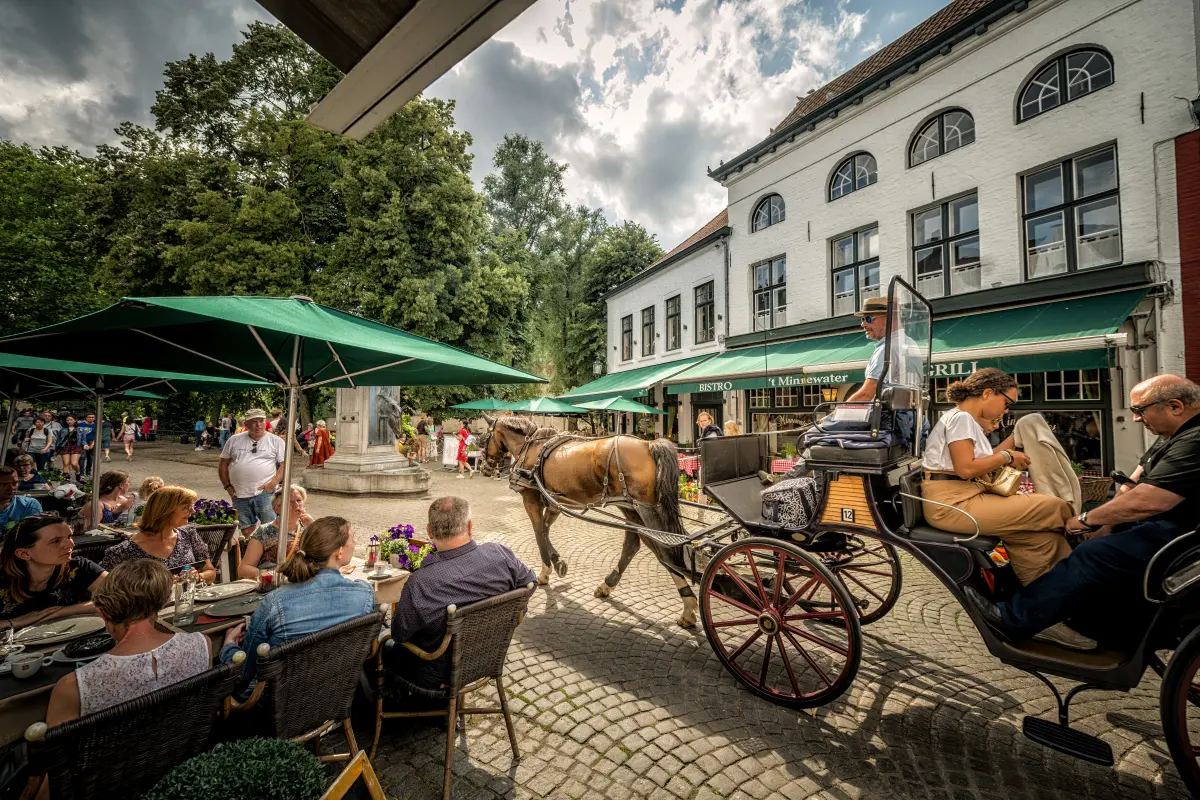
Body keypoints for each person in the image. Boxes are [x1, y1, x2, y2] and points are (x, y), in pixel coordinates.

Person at [967, 375, 1200, 651]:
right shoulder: (1171, 435)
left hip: (1180, 538)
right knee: (1094, 545)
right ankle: (1088, 621)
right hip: (1160, 526)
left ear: (1174, 406)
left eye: (1139, 410)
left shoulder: (1194, 439)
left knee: (1093, 555)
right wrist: (1105, 524)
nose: (1136, 419)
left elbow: (1150, 499)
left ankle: (1013, 619)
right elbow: (1132, 484)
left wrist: (1085, 520)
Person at [386, 497, 535, 696]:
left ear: (429, 532)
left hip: (436, 673)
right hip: (488, 656)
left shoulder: (421, 582)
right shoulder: (500, 555)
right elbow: (529, 584)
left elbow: (399, 634)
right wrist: (509, 619)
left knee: (383, 645)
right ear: (470, 526)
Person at [220, 516, 374, 700]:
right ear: (339, 552)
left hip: (278, 700)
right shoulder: (364, 594)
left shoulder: (276, 602)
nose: (355, 541)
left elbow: (243, 674)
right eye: (352, 537)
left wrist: (228, 647)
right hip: (334, 693)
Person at [45, 559, 211, 724]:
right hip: (188, 744)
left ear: (102, 613)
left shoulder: (72, 687)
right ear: (166, 600)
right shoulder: (201, 645)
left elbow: (56, 749)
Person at [0, 514, 106, 632]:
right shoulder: (2, 578)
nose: (71, 544)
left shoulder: (77, 567)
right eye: (56, 541)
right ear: (24, 554)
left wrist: (62, 612)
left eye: (69, 536)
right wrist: (14, 622)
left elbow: (123, 595)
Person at [100, 486, 216, 584]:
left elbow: (210, 572)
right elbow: (108, 591)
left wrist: (198, 577)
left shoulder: (189, 534)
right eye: (186, 507)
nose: (193, 511)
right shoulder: (123, 551)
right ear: (165, 511)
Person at [220, 408, 285, 539]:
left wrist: (273, 483)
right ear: (246, 424)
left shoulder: (276, 441)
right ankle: (250, 555)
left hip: (265, 493)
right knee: (247, 530)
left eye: (261, 421)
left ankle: (268, 556)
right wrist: (227, 486)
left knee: (271, 528)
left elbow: (285, 465)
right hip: (239, 493)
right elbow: (223, 464)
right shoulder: (234, 440)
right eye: (254, 422)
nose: (258, 425)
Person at [237, 485, 314, 579]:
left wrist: (313, 527)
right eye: (290, 501)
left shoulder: (309, 528)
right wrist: (272, 575)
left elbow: (325, 557)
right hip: (275, 586)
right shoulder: (264, 531)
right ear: (277, 509)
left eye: (299, 500)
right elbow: (244, 569)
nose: (296, 505)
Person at [0, 467, 42, 531]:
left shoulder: (29, 505)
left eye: (15, 483)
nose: (11, 488)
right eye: (4, 484)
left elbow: (33, 534)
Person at [55, 415, 84, 482]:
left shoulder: (80, 429)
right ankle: (66, 478)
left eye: (71, 420)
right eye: (67, 420)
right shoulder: (63, 429)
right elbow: (58, 440)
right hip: (65, 446)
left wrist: (85, 444)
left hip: (76, 446)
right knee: (66, 463)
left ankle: (78, 473)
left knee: (74, 463)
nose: (69, 421)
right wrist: (56, 449)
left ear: (75, 420)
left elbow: (83, 439)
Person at [79, 413, 96, 480]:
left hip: (91, 442)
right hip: (82, 443)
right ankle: (81, 473)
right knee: (82, 458)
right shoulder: (81, 425)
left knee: (90, 458)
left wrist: (93, 444)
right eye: (89, 417)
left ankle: (88, 473)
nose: (91, 418)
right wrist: (83, 444)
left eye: (92, 417)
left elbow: (96, 435)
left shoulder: (96, 425)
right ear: (86, 418)